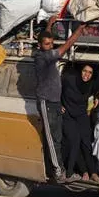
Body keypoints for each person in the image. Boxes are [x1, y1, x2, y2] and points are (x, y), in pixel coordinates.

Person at [34, 15, 86, 184]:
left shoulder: (45, 50)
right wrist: (78, 32)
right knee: (52, 140)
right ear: (40, 46)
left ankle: (61, 170)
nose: (50, 47)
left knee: (58, 138)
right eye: (47, 45)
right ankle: (58, 173)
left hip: (55, 103)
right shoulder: (43, 57)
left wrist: (50, 24)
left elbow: (46, 37)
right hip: (46, 102)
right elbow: (65, 48)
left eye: (51, 44)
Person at [61, 63, 99, 185]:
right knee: (75, 141)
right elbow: (55, 89)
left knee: (86, 143)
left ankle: (93, 173)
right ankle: (75, 172)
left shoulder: (91, 84)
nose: (86, 75)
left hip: (82, 115)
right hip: (68, 115)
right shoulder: (69, 79)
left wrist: (98, 95)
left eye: (90, 72)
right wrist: (58, 105)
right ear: (79, 71)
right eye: (84, 71)